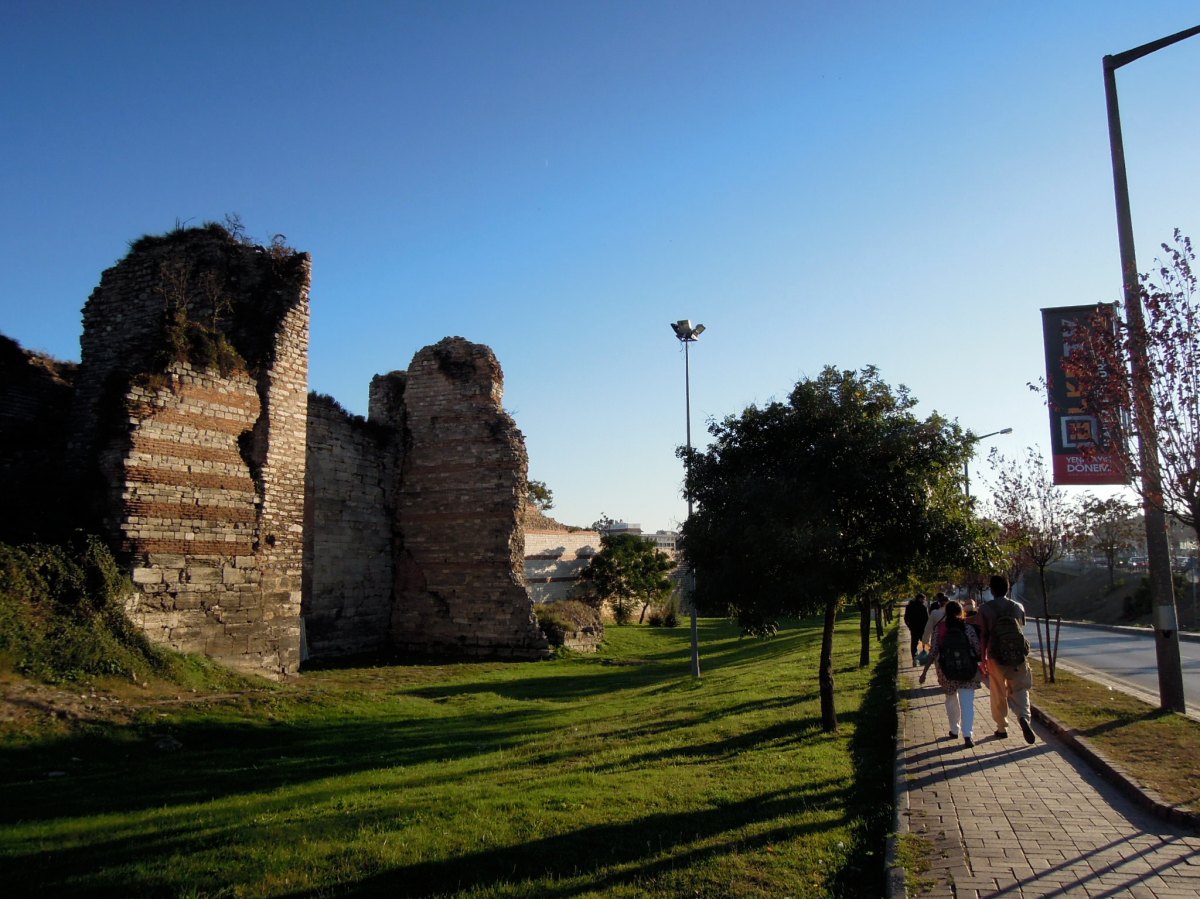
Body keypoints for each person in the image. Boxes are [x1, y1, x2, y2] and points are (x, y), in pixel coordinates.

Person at [978, 574, 1035, 743]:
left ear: (992, 589)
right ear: (1008, 588)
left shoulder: (985, 609)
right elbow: (1021, 628)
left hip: (996, 656)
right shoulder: (1018, 606)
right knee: (1021, 688)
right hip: (1018, 656)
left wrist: (983, 659)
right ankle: (1024, 717)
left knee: (998, 691)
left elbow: (984, 635)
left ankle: (1002, 728)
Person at [918, 600, 984, 747]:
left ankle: (954, 730)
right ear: (961, 612)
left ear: (945, 613)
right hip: (968, 671)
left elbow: (933, 651)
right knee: (967, 704)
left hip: (946, 672)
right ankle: (968, 735)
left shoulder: (939, 629)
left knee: (951, 701)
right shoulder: (968, 628)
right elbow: (978, 649)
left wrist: (924, 673)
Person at [902, 593, 929, 666]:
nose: (924, 600)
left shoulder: (909, 606)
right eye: (923, 599)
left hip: (913, 629)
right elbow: (926, 619)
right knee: (924, 642)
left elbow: (905, 618)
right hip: (922, 628)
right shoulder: (923, 607)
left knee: (914, 644)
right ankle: (924, 659)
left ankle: (914, 658)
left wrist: (909, 626)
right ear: (919, 598)